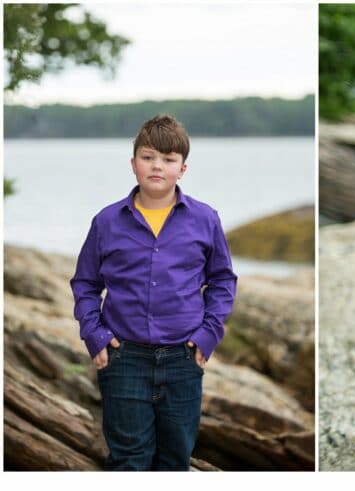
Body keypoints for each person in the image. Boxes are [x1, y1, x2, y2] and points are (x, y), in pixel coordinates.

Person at [70, 114, 237, 471]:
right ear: (133, 164)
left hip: (183, 359)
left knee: (175, 461)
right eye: (148, 157)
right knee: (129, 461)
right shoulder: (107, 221)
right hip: (124, 359)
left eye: (168, 159)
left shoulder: (205, 220)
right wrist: (94, 334)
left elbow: (223, 281)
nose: (157, 166)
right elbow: (85, 283)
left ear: (183, 168)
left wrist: (209, 334)